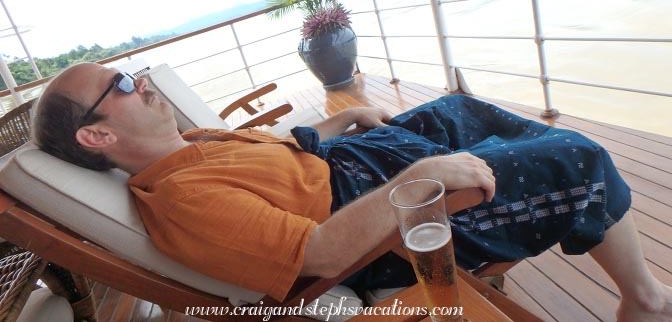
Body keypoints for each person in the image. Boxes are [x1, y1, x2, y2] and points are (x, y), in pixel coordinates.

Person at [32, 62, 671, 322]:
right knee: (576, 157)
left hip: (357, 163)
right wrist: (422, 179)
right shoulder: (179, 200)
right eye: (120, 83)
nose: (139, 81)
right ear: (96, 138)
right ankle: (641, 299)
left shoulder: (194, 144)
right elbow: (319, 257)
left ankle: (573, 198)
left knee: (459, 106)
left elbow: (284, 155)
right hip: (384, 220)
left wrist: (338, 122)